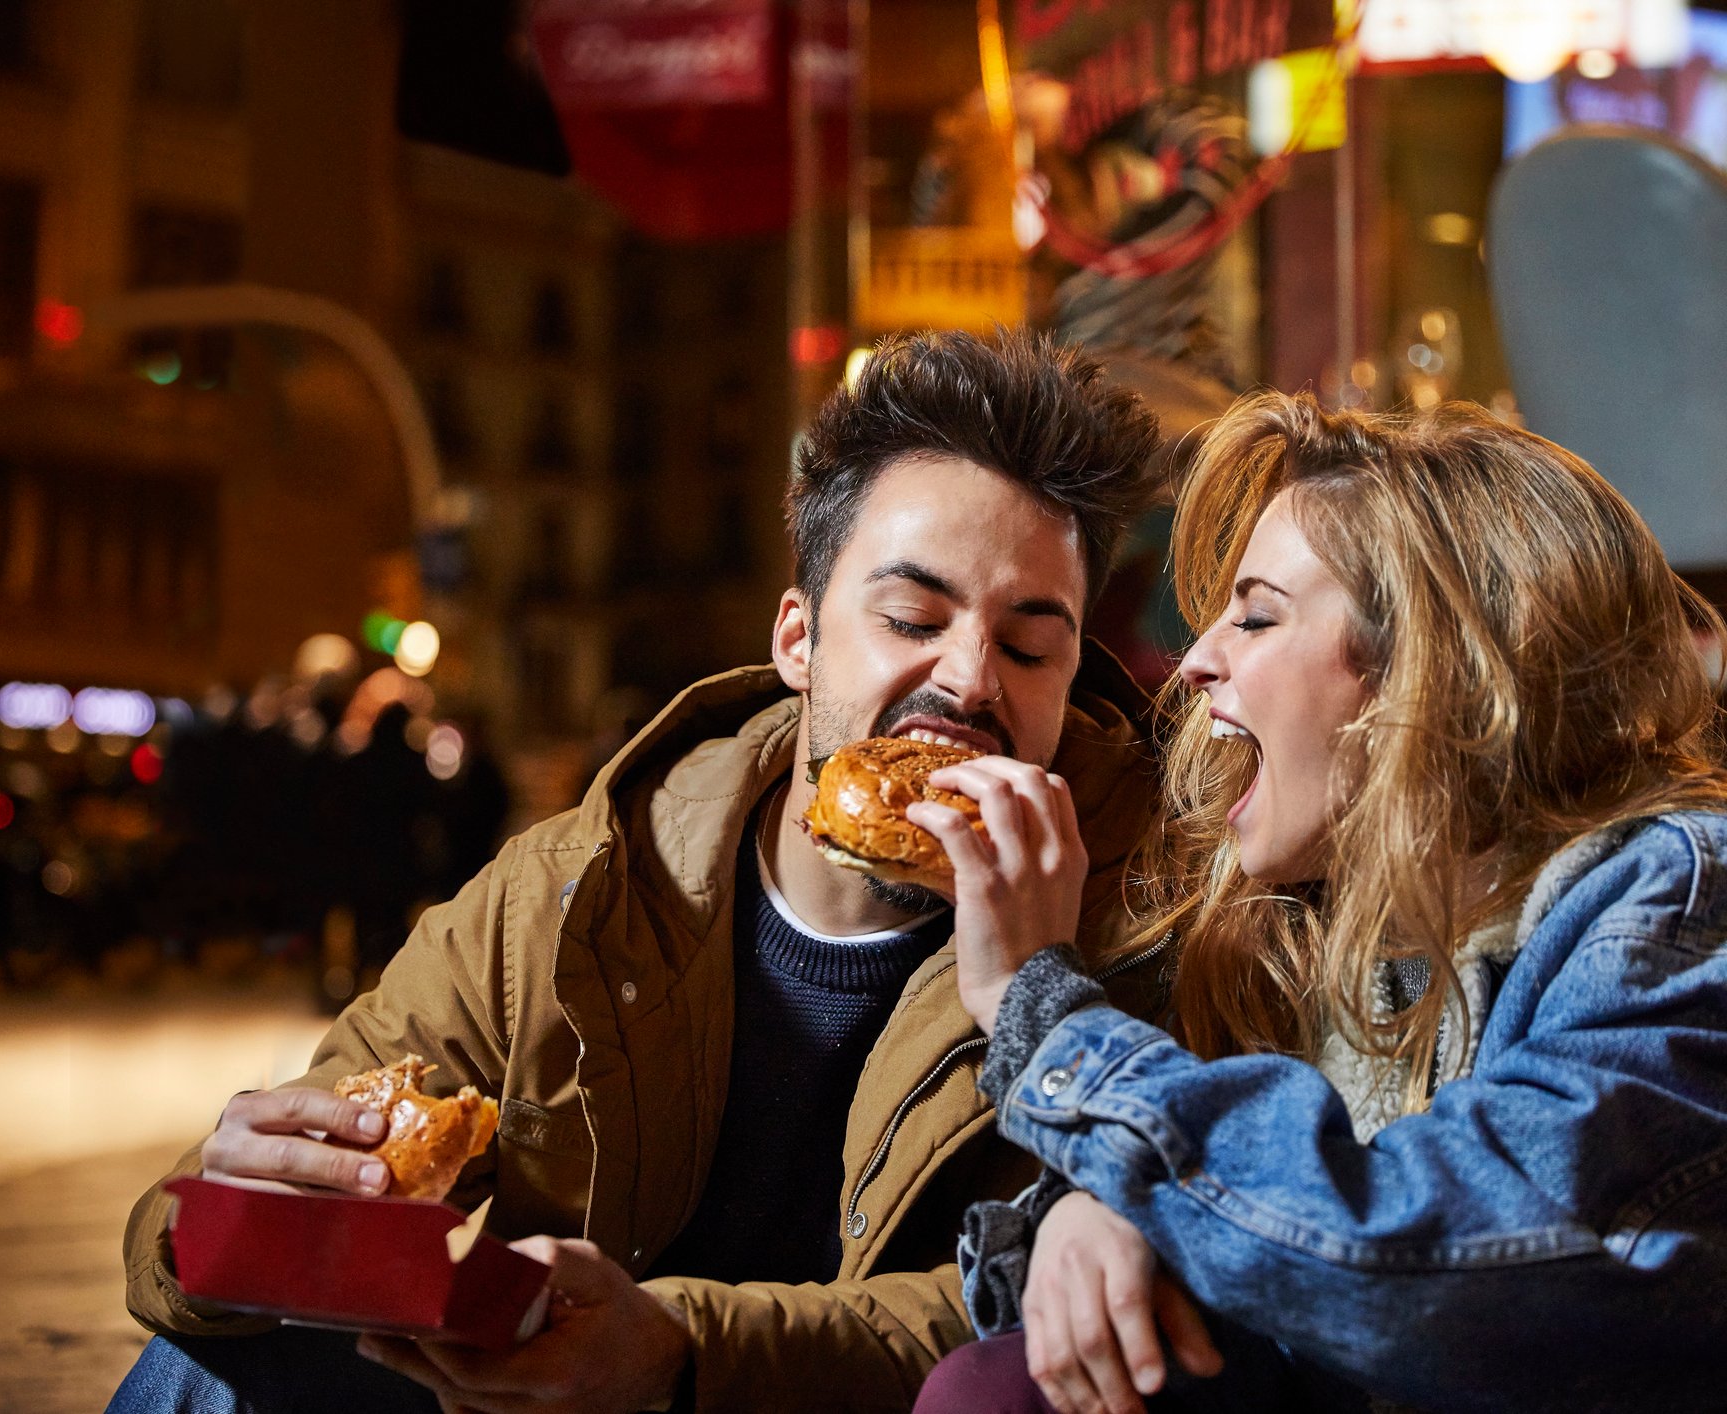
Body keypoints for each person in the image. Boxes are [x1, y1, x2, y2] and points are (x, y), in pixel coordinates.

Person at [112, 328, 1166, 1413]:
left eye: (1031, 647)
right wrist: (226, 1216)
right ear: (798, 639)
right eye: (911, 618)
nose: (968, 679)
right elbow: (232, 1214)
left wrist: (678, 1349)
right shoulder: (575, 896)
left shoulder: (1147, 917)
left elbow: (1033, 1317)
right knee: (211, 1368)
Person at [904, 391, 1727, 1413]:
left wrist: (1047, 1013)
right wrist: (1102, 1205)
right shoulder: (1331, 933)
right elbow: (1245, 1230)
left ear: (1428, 673)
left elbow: (1436, 1267)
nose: (1198, 655)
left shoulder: (1688, 891)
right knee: (996, 1388)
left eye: (1256, 613)